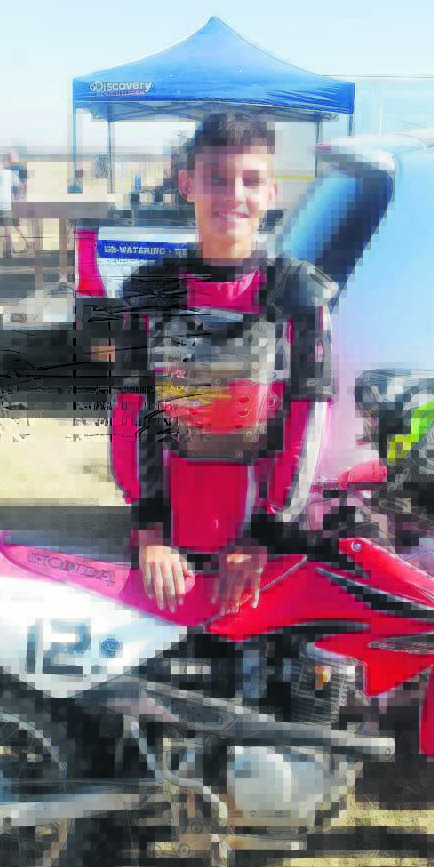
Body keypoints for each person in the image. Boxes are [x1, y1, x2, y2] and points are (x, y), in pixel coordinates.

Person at [110, 113, 334, 614]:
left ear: (272, 191)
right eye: (216, 178)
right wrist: (150, 531)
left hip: (263, 548)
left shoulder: (297, 295)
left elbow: (308, 417)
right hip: (169, 548)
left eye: (251, 180)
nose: (234, 194)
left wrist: (266, 532)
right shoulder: (149, 293)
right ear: (187, 184)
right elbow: (130, 411)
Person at [7, 150, 31, 255]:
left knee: (15, 223)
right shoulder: (6, 169)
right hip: (11, 199)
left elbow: (25, 184)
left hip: (19, 199)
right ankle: (18, 246)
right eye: (8, 156)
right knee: (13, 223)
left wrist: (19, 197)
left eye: (11, 156)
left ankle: (28, 243)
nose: (9, 158)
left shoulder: (22, 168)